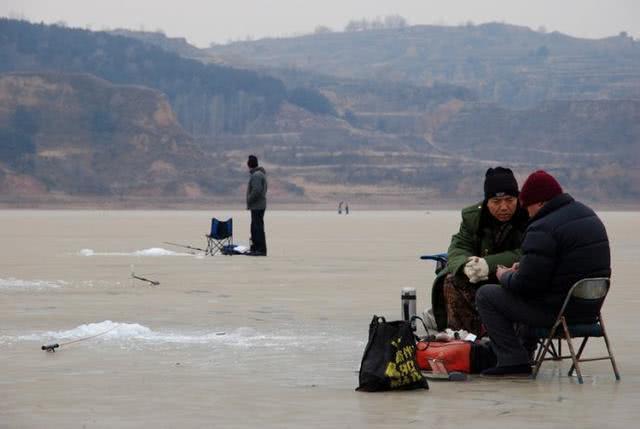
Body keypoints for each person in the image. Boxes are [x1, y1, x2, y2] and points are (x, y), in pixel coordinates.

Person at [476, 170, 611, 377]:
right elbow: (562, 267)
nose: (527, 213)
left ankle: (514, 360)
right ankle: (525, 350)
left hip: (559, 314)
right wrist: (524, 268)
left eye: (527, 206)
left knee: (487, 294)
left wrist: (505, 275)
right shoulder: (588, 214)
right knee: (526, 294)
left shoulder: (543, 227)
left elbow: (527, 285)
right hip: (590, 310)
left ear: (539, 203)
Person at [428, 167, 528, 335]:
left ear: (517, 198)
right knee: (451, 280)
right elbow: (459, 246)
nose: (504, 207)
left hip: (517, 279)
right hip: (482, 280)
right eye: (496, 202)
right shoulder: (474, 218)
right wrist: (465, 265)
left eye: (510, 200)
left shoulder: (528, 215)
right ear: (487, 201)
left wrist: (488, 264)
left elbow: (528, 252)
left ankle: (506, 340)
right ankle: (468, 342)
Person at [246, 155, 268, 256]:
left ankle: (260, 250)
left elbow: (257, 190)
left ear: (249, 165)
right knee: (255, 227)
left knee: (257, 228)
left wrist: (249, 200)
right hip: (258, 205)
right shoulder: (259, 174)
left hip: (257, 206)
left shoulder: (256, 175)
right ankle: (256, 248)